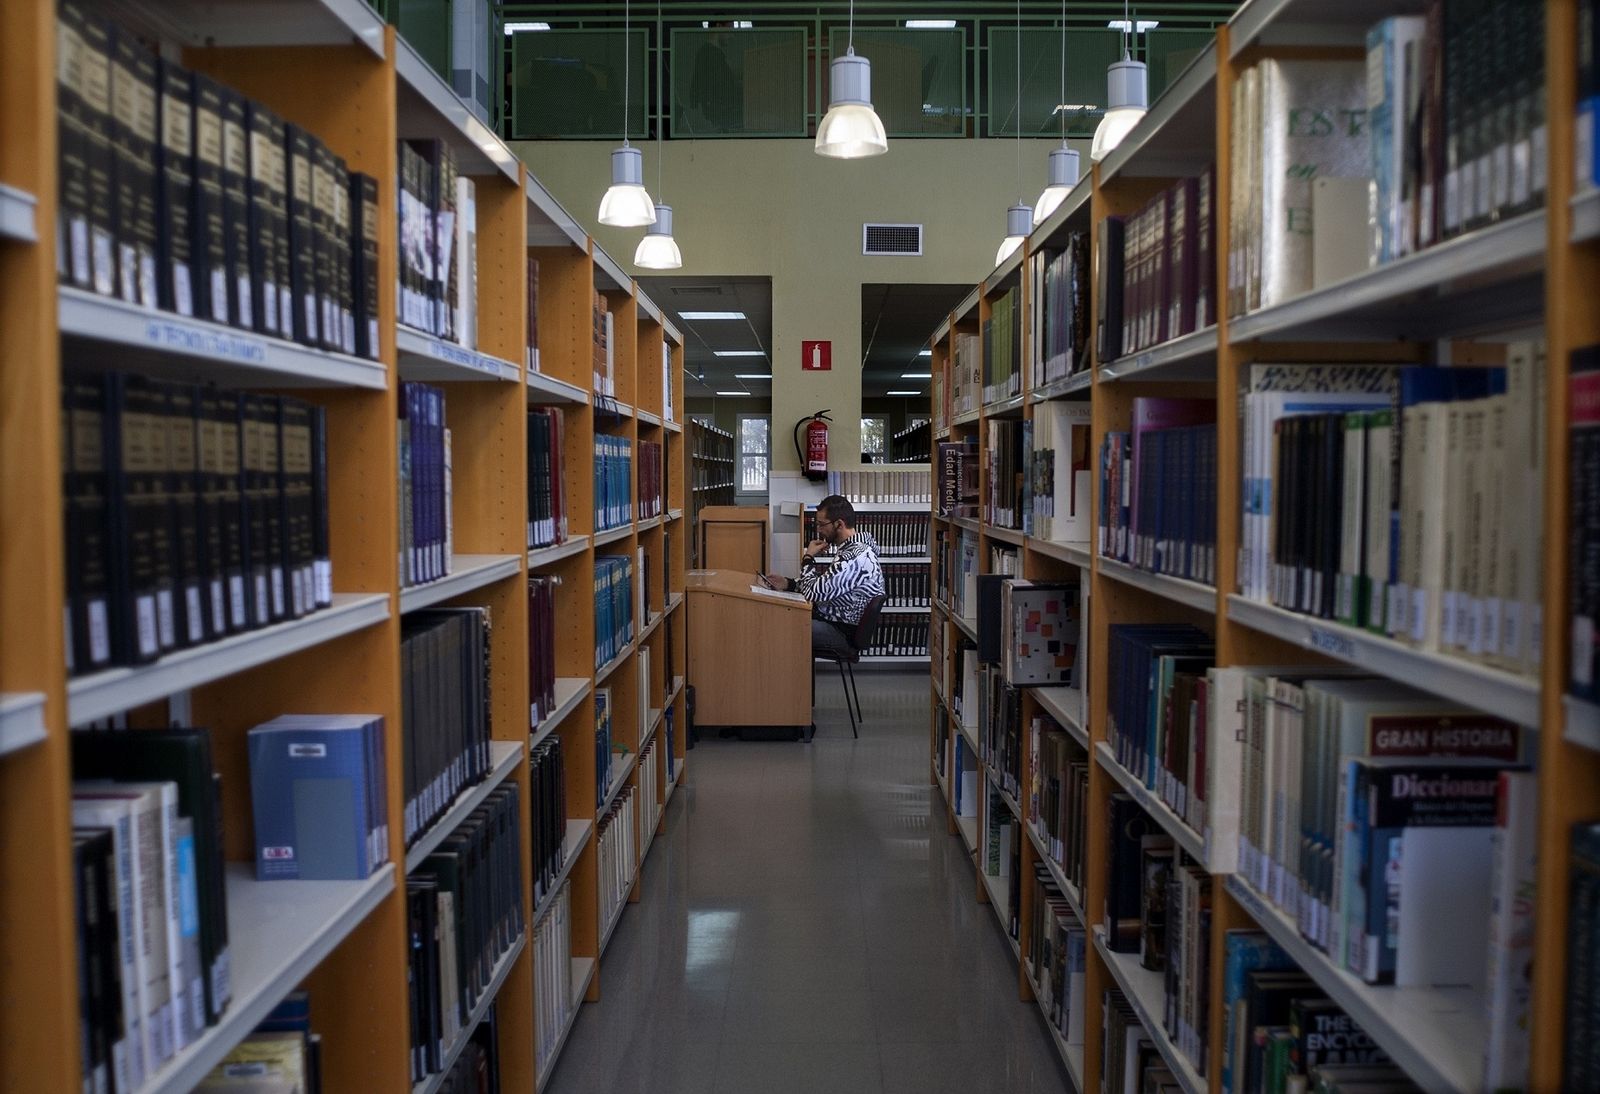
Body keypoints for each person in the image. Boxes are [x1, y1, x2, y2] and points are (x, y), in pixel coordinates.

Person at [764, 495, 884, 661]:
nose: (819, 530)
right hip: (835, 622)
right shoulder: (855, 549)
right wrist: (788, 584)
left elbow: (812, 594)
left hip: (841, 632)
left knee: (778, 624)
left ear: (839, 524)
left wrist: (808, 558)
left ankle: (785, 677)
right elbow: (824, 584)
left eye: (821, 524)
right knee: (782, 618)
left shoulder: (854, 556)